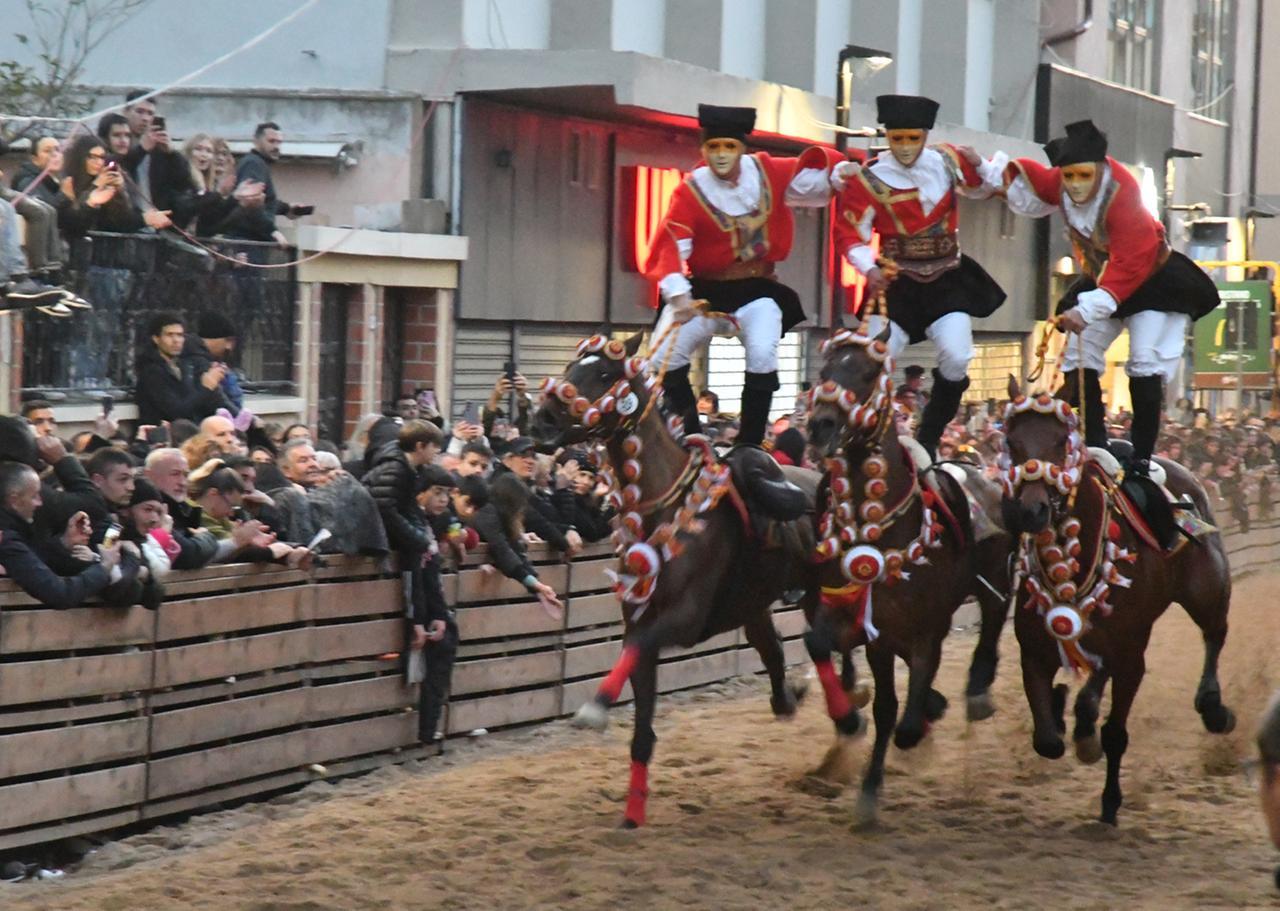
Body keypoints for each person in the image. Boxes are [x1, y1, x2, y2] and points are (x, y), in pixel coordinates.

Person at [992, 119, 1219, 476]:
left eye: (1084, 176)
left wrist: (1086, 310)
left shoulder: (1123, 194)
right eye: (1070, 178)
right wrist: (976, 170)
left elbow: (1129, 265)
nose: (1076, 186)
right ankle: (1096, 444)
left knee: (1143, 359)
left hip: (1152, 282)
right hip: (1103, 280)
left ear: (1099, 169)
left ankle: (1142, 458)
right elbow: (1031, 182)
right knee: (1077, 357)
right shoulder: (1063, 182)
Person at [645, 104, 846, 445]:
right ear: (703, 150)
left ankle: (750, 441)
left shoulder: (766, 173)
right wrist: (677, 296)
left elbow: (816, 184)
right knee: (662, 353)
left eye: (729, 147)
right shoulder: (691, 191)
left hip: (756, 289)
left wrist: (844, 176)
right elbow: (671, 244)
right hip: (704, 291)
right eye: (713, 147)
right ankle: (690, 431)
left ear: (742, 148)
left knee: (763, 351)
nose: (721, 155)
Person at [832, 94, 1007, 458]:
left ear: (926, 135)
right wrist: (869, 267)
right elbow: (849, 234)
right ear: (887, 137)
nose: (906, 147)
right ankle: (868, 436)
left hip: (947, 281)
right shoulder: (867, 180)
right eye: (898, 139)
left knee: (958, 357)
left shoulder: (948, 160)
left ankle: (929, 435)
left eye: (914, 138)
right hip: (896, 285)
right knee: (874, 360)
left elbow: (986, 188)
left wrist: (980, 164)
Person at [0, 461, 122, 609]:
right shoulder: (5, 538)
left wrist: (64, 543)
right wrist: (105, 566)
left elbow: (28, 560)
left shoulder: (11, 533)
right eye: (34, 496)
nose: (40, 503)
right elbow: (60, 593)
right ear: (14, 500)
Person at [470, 471, 563, 618]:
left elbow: (516, 551)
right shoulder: (488, 513)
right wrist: (537, 585)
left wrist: (537, 587)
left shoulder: (504, 519)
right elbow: (502, 549)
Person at [222, 121, 310, 246]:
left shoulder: (257, 163)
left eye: (279, 142)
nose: (276, 146)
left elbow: (264, 201)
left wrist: (287, 209)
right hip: (247, 242)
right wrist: (272, 232)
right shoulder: (254, 164)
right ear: (256, 141)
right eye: (271, 141)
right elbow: (250, 203)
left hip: (247, 240)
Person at [134, 313, 227, 426]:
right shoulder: (151, 372)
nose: (176, 340)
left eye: (180, 335)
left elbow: (202, 403)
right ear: (156, 339)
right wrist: (206, 387)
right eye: (169, 335)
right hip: (163, 437)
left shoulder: (185, 366)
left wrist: (214, 385)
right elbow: (177, 412)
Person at [492, 437, 580, 556]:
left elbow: (554, 517)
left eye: (533, 456)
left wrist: (563, 489)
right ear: (507, 460)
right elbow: (533, 519)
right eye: (523, 455)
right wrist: (564, 542)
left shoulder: (529, 487)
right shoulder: (500, 483)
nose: (530, 461)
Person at [143, 447, 219, 569]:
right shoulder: (150, 509)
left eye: (185, 475)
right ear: (149, 475)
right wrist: (206, 537)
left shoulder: (184, 510)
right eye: (175, 474)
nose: (183, 482)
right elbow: (187, 554)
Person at [183, 310, 245, 414]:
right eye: (227, 340)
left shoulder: (202, 358)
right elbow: (218, 401)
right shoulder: (199, 362)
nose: (229, 347)